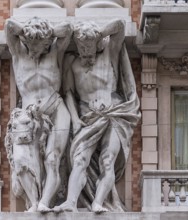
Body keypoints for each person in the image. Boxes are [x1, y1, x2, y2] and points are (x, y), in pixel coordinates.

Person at [54, 19, 140, 213]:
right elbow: (67, 93)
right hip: (86, 118)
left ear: (97, 44)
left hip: (114, 115)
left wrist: (97, 34)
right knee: (79, 159)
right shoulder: (72, 63)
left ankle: (98, 202)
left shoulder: (109, 54)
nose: (86, 52)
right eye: (82, 48)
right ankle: (71, 202)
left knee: (107, 160)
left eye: (89, 48)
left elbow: (119, 26)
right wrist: (75, 119)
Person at [5, 17, 72, 212]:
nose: (34, 50)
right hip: (27, 116)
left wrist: (45, 33)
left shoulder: (55, 52)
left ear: (46, 43)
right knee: (20, 160)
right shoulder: (18, 52)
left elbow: (67, 28)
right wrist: (30, 33)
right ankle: (33, 202)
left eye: (39, 46)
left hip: (55, 109)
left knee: (52, 160)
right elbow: (9, 25)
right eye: (31, 45)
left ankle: (45, 201)